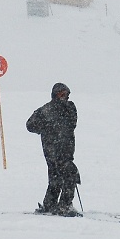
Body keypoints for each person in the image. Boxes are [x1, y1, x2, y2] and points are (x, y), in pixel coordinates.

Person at [26, 83, 81, 216]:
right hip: (53, 150)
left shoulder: (70, 107)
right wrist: (47, 127)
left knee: (56, 178)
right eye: (61, 94)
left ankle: (50, 205)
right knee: (70, 175)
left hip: (66, 150)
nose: (64, 96)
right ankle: (64, 206)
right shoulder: (45, 110)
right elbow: (30, 125)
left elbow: (72, 124)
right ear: (55, 94)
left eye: (66, 94)